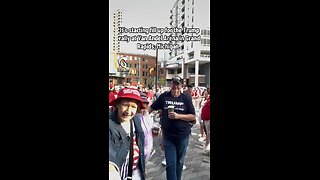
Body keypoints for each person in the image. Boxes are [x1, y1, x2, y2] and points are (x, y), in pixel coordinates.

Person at [149, 76, 196, 180]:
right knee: (170, 164)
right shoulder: (164, 97)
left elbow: (193, 116)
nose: (175, 87)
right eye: (174, 84)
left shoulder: (186, 98)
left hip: (183, 136)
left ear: (181, 86)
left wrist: (179, 116)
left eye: (178, 84)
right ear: (171, 85)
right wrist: (141, 116)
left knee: (179, 163)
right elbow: (151, 108)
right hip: (168, 137)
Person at [109, 88, 147, 180]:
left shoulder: (136, 120)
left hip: (135, 173)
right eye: (125, 105)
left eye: (133, 107)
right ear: (117, 104)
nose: (128, 111)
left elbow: (140, 145)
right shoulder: (110, 124)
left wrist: (142, 170)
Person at [201, 86, 211, 162]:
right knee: (208, 135)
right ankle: (208, 151)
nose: (208, 90)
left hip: (209, 120)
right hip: (207, 120)